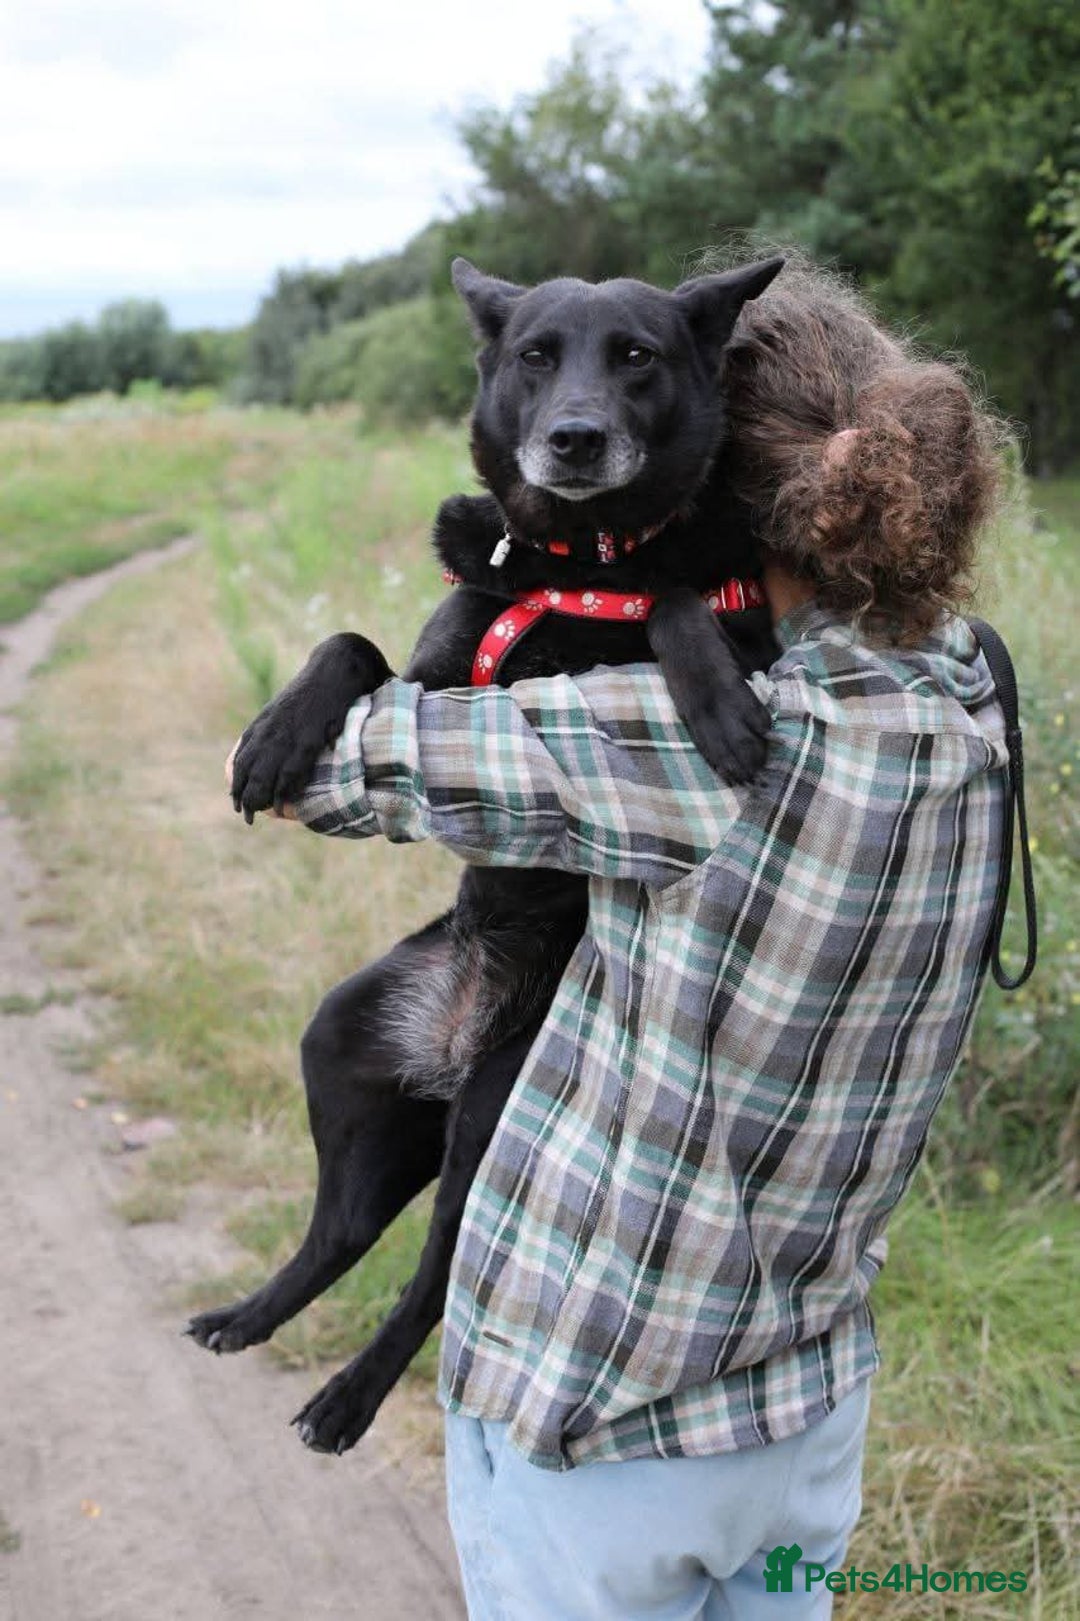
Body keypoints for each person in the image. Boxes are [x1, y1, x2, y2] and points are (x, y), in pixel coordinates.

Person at [241, 264, 1007, 1619]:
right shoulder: (967, 697)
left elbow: (325, 775)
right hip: (806, 1412)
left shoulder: (668, 749)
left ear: (713, 474)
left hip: (597, 1418)